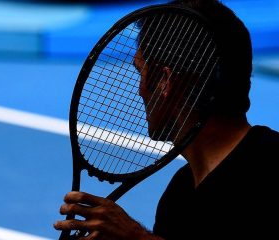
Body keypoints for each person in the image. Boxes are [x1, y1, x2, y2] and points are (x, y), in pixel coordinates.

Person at [54, 0, 279, 239]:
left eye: (140, 71)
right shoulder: (179, 195)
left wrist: (138, 238)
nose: (140, 90)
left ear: (164, 80)